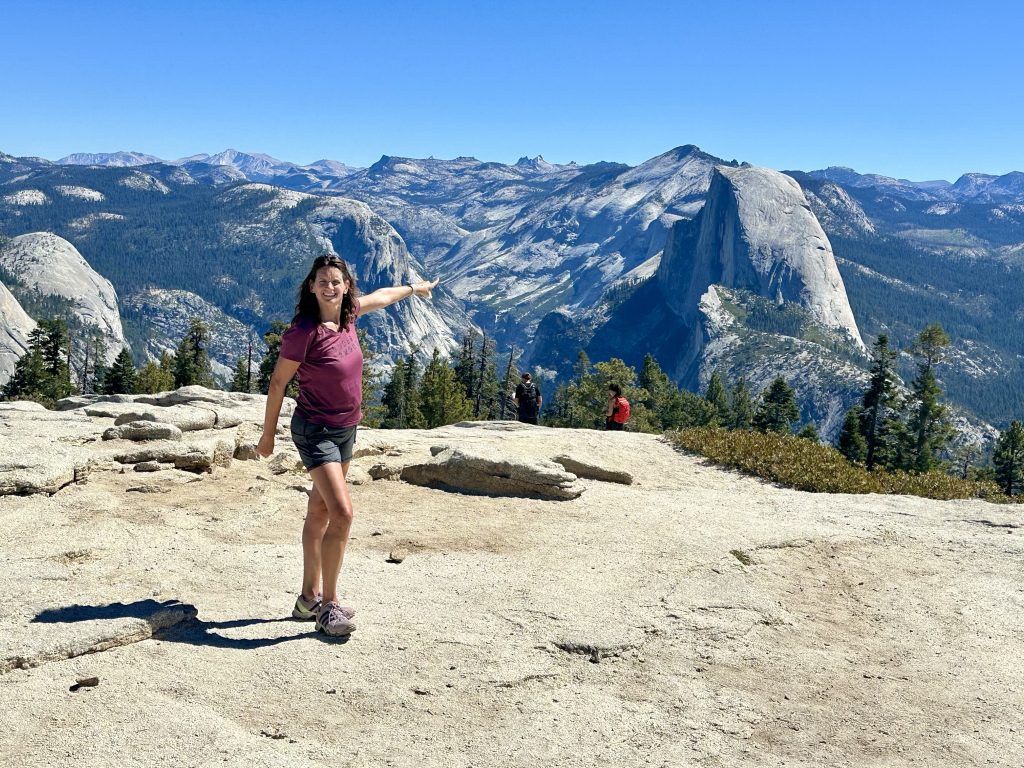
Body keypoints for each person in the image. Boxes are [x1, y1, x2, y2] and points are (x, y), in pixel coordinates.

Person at [256, 254, 438, 637]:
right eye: (322, 280)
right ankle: (328, 606)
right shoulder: (303, 331)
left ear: (346, 287)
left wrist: (414, 289)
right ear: (311, 287)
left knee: (320, 510)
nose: (329, 286)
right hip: (316, 432)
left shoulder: (351, 314)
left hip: (345, 430)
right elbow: (277, 384)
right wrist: (268, 434)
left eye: (336, 281)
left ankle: (308, 597)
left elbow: (384, 297)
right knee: (343, 514)